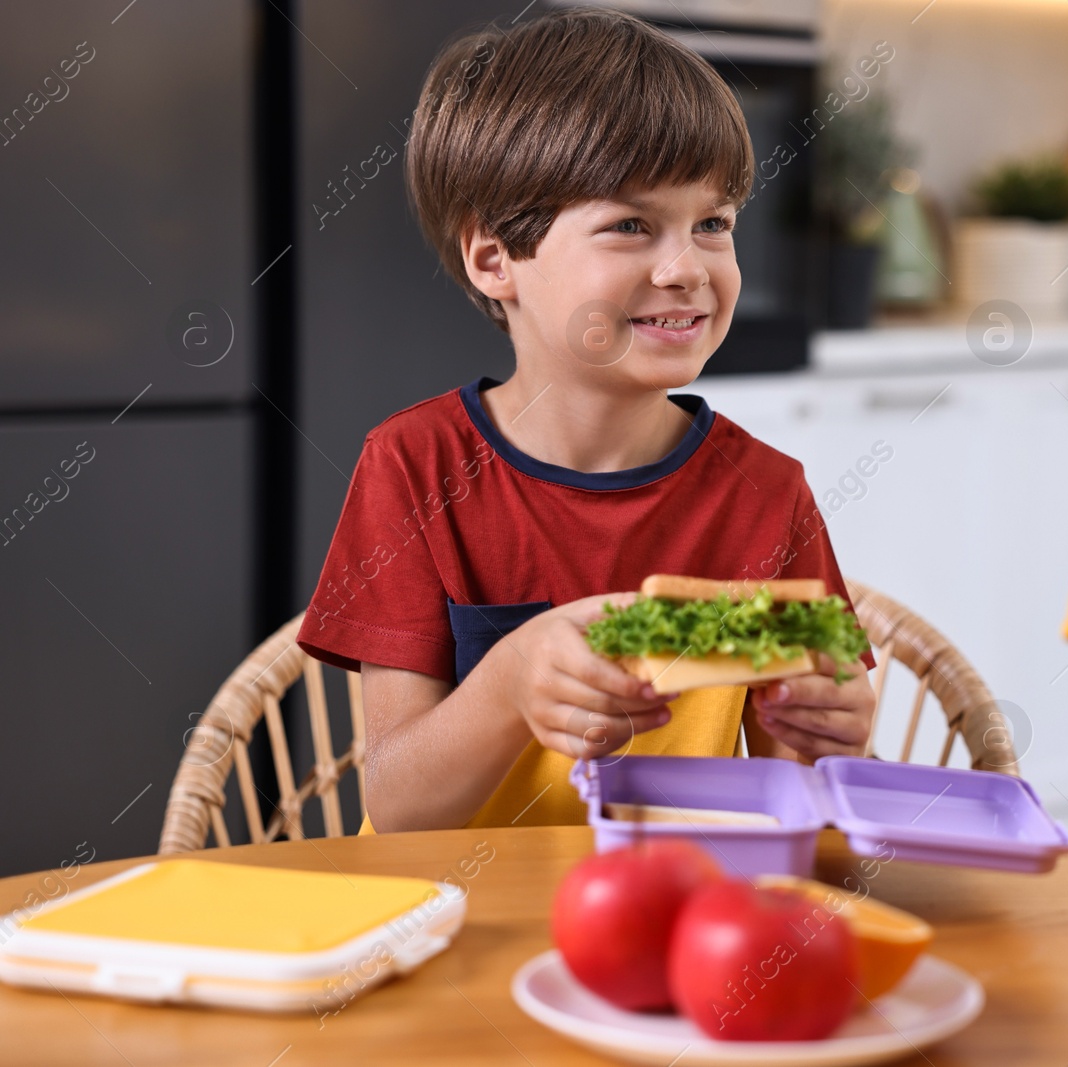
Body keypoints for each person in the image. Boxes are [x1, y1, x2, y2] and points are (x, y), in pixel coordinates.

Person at [296, 8, 876, 833]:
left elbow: (799, 808)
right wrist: (512, 676)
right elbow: (398, 807)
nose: (687, 269)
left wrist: (832, 736)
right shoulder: (413, 466)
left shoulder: (767, 493)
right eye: (631, 226)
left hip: (676, 919)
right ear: (495, 257)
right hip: (458, 930)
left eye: (713, 223)